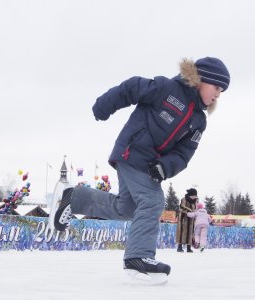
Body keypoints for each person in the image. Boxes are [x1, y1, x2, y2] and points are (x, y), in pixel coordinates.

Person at [53, 57, 230, 279]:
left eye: (221, 91)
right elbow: (132, 87)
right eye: (216, 87)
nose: (218, 95)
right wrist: (105, 105)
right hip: (132, 151)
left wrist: (165, 167)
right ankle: (138, 257)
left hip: (150, 164)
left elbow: (184, 154)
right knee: (152, 200)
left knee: (127, 208)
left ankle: (76, 198)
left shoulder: (198, 121)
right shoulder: (167, 88)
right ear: (201, 79)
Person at [176, 188, 198, 252]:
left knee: (190, 232)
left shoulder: (195, 201)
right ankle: (179, 247)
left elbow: (196, 209)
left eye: (195, 196)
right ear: (190, 195)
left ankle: (189, 248)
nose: (195, 197)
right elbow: (181, 207)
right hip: (183, 218)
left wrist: (195, 213)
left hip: (191, 220)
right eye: (194, 196)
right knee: (182, 232)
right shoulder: (184, 199)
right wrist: (189, 211)